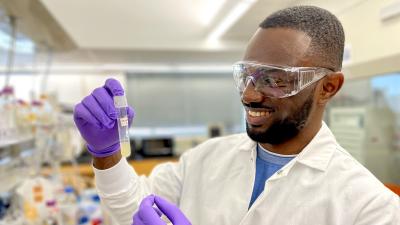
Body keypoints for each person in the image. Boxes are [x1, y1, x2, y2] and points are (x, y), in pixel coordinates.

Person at [73, 5, 400, 225]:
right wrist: (108, 155)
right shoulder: (204, 158)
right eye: (247, 75)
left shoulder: (370, 207)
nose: (249, 94)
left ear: (328, 86)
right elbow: (133, 210)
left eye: (275, 79)